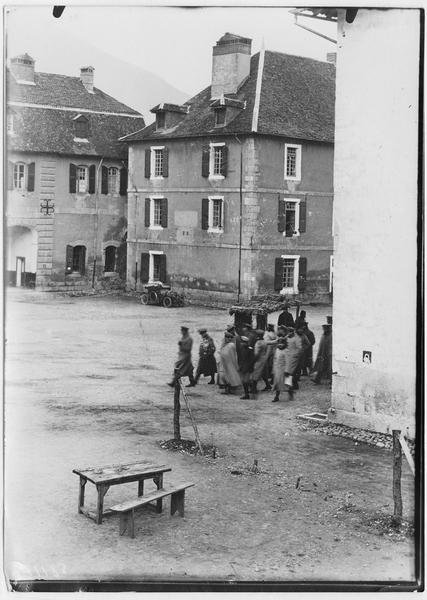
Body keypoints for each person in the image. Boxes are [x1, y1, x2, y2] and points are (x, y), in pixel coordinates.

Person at [284, 326, 309, 394]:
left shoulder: (298, 338)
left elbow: (302, 347)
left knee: (294, 371)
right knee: (289, 371)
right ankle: (290, 385)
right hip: (289, 356)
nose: (289, 333)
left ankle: (293, 385)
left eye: (290, 332)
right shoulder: (288, 337)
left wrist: (300, 352)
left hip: (296, 357)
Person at [252, 329, 271, 394]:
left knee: (256, 373)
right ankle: (268, 385)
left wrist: (253, 360)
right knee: (264, 374)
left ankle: (254, 389)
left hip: (259, 360)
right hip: (264, 359)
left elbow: (256, 353)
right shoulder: (264, 341)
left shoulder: (258, 343)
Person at [272, 336, 287, 402]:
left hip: (284, 369)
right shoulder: (277, 350)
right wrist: (273, 369)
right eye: (279, 343)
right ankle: (276, 396)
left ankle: (289, 394)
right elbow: (275, 359)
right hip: (277, 369)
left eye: (282, 343)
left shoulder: (286, 351)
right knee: (277, 383)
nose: (280, 345)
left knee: (286, 383)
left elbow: (288, 361)